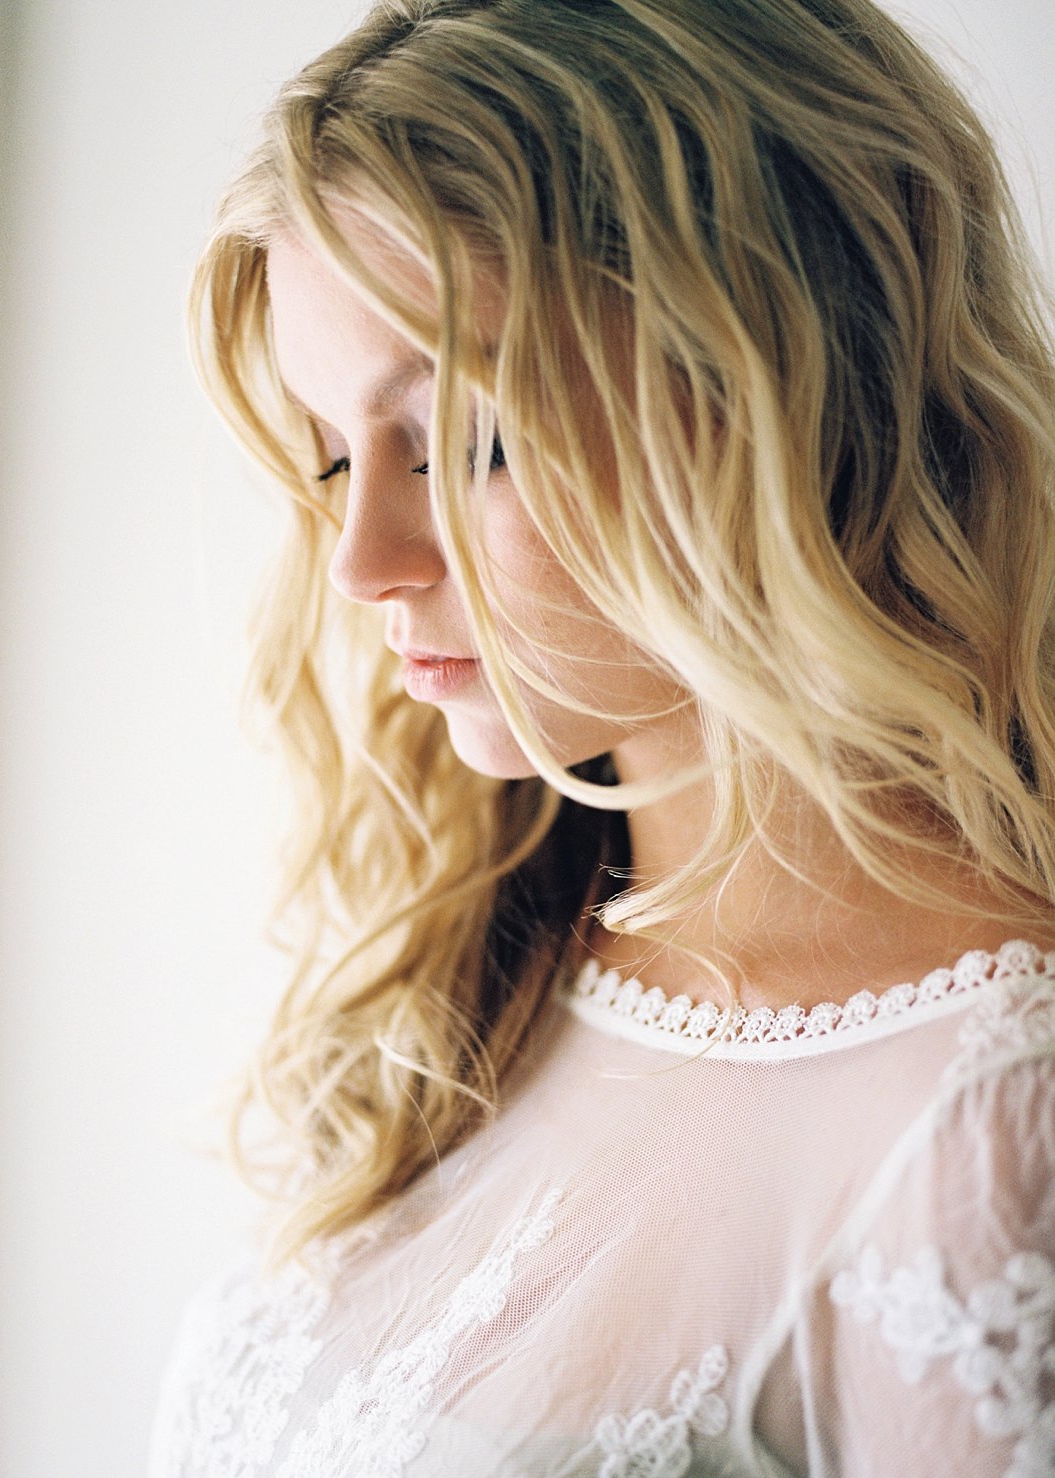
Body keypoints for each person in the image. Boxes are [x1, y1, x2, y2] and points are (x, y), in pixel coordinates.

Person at [150, 0, 1055, 1472]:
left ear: (784, 390)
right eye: (335, 452)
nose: (362, 560)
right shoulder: (473, 982)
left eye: (463, 440)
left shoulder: (982, 1128)